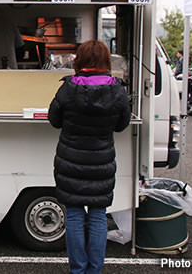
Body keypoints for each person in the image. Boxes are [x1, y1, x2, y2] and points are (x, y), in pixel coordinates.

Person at [47, 40, 131, 274]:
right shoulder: (117, 89)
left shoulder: (68, 88)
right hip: (102, 163)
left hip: (69, 162)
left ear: (80, 61)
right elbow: (121, 125)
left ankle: (78, 270)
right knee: (97, 216)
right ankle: (95, 270)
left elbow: (54, 120)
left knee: (74, 215)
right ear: (105, 61)